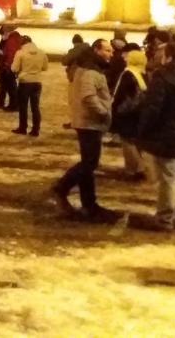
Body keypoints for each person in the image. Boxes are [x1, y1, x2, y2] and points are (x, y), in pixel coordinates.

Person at [52, 39, 120, 222]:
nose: (110, 54)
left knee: (88, 164)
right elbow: (88, 97)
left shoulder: (87, 68)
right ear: (96, 50)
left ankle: (89, 204)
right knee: (90, 163)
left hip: (86, 121)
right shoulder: (90, 72)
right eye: (107, 50)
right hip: (90, 122)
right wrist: (104, 112)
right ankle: (62, 187)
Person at [132, 41, 175, 231]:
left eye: (161, 54)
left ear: (169, 56)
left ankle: (165, 218)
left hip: (168, 136)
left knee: (168, 178)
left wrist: (142, 132)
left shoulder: (162, 77)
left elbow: (153, 109)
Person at [112, 45, 148, 182]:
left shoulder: (128, 73)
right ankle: (137, 168)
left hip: (126, 113)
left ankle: (135, 169)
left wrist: (115, 109)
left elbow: (119, 94)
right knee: (134, 141)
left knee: (127, 142)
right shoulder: (143, 74)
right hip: (138, 113)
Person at [11, 36, 48, 136]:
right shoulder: (41, 52)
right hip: (37, 82)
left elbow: (14, 68)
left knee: (23, 107)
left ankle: (23, 128)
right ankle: (36, 129)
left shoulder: (20, 53)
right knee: (35, 107)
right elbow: (45, 67)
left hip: (25, 81)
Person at [0, 25, 22, 111]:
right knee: (7, 85)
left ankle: (14, 105)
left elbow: (11, 54)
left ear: (7, 32)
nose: (2, 35)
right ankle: (10, 103)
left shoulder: (11, 40)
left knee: (11, 86)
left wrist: (7, 64)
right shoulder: (11, 39)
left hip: (8, 66)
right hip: (7, 65)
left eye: (3, 33)